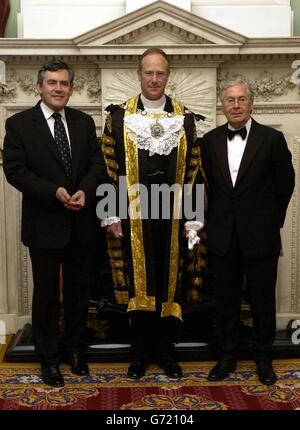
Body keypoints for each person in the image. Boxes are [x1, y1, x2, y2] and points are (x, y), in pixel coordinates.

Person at [100, 47, 205, 379]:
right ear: (139, 74)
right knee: (138, 283)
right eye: (149, 72)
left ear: (168, 75)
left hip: (172, 214)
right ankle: (140, 353)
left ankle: (166, 351)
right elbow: (107, 168)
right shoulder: (118, 117)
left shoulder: (185, 119)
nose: (154, 79)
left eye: (160, 73)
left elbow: (193, 172)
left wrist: (193, 217)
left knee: (170, 282)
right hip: (133, 214)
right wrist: (111, 214)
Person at [3, 60, 107, 388]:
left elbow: (97, 163)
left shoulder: (83, 122)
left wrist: (84, 193)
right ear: (39, 87)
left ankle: (75, 350)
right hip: (45, 223)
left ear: (71, 88)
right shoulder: (19, 124)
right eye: (52, 83)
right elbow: (15, 170)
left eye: (64, 83)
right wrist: (54, 192)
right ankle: (49, 360)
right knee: (46, 296)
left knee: (79, 293)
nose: (58, 88)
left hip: (82, 221)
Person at [202, 77, 295, 385]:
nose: (236, 105)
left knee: (262, 301)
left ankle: (264, 358)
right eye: (230, 100)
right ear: (222, 105)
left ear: (252, 103)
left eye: (242, 99)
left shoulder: (272, 139)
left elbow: (286, 183)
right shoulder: (211, 140)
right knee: (225, 301)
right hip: (222, 235)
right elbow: (207, 189)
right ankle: (226, 356)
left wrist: (270, 221)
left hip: (261, 235)